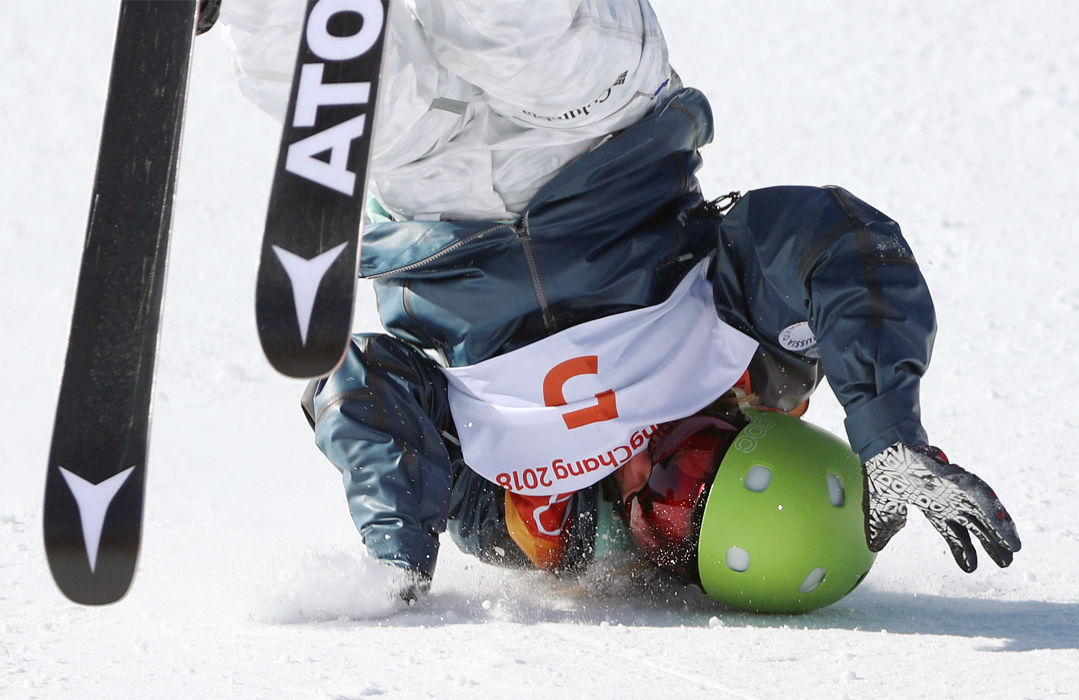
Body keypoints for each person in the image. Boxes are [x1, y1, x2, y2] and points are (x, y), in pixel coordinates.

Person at [222, 0, 1021, 603]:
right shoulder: (754, 351)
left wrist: (395, 559)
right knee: (505, 27)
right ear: (753, 421)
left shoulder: (525, 520)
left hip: (439, 200)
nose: (647, 478)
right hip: (603, 132)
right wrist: (887, 433)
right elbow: (827, 238)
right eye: (692, 462)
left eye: (668, 523)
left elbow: (363, 383)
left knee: (320, 78)